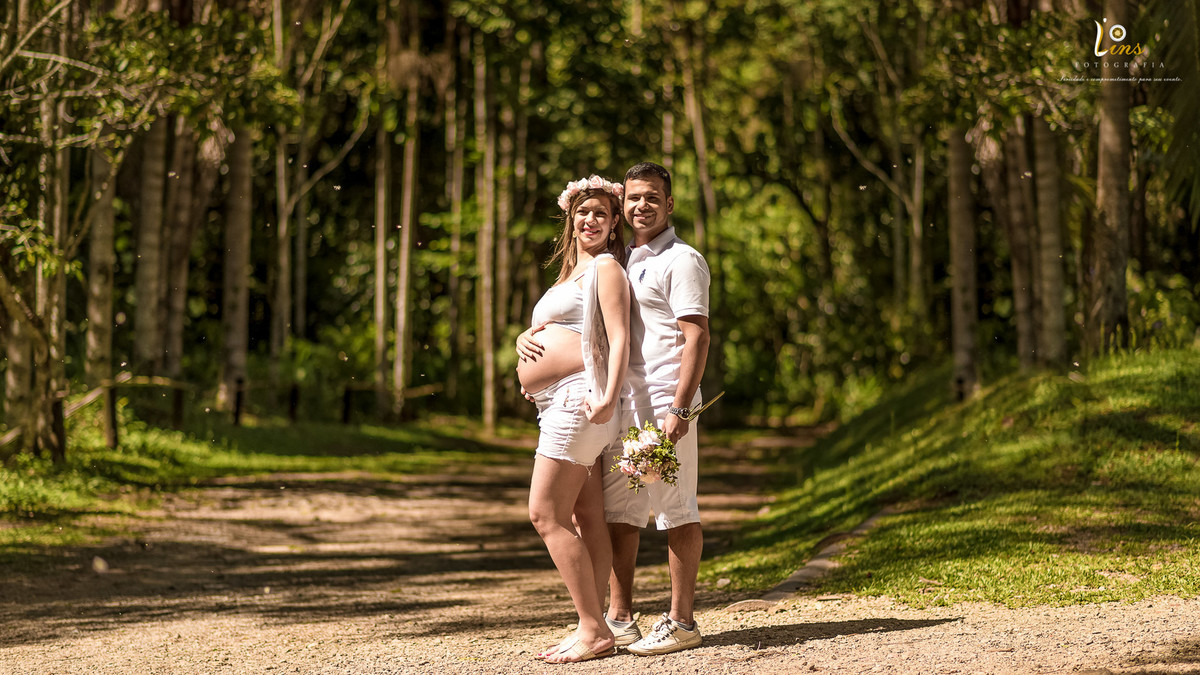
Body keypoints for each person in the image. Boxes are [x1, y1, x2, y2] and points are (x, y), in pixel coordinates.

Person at [514, 174, 631, 664]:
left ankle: (592, 627)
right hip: (557, 400)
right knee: (586, 515)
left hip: (580, 400)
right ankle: (596, 621)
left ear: (612, 223)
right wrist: (524, 339)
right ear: (571, 216)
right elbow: (559, 326)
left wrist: (606, 396)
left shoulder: (606, 267)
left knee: (544, 513)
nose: (591, 219)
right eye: (583, 211)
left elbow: (621, 336)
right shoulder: (571, 273)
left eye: (601, 213)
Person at [602, 161, 711, 656]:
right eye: (632, 198)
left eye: (651, 197)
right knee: (622, 513)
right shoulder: (625, 258)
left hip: (668, 403)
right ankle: (620, 617)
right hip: (628, 404)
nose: (640, 205)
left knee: (675, 510)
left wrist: (680, 408)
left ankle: (682, 621)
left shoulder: (682, 260)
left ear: (669, 204)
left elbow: (697, 337)